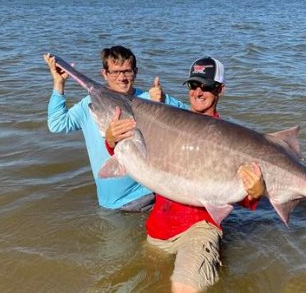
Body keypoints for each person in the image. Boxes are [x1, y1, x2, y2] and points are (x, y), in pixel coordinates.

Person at [107, 57, 266, 292]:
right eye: (193, 85)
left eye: (207, 87)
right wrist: (111, 139)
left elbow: (242, 197)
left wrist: (256, 193)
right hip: (159, 226)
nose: (199, 92)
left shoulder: (232, 141)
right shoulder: (167, 121)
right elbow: (131, 152)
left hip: (200, 227)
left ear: (220, 90)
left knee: (183, 288)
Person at [44, 46, 186, 211]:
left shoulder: (150, 98)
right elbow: (57, 124)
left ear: (136, 72)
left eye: (127, 71)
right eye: (115, 72)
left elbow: (193, 119)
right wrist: (58, 84)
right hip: (112, 203)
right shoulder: (89, 105)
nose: (122, 78)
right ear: (104, 73)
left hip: (153, 194)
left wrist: (163, 103)